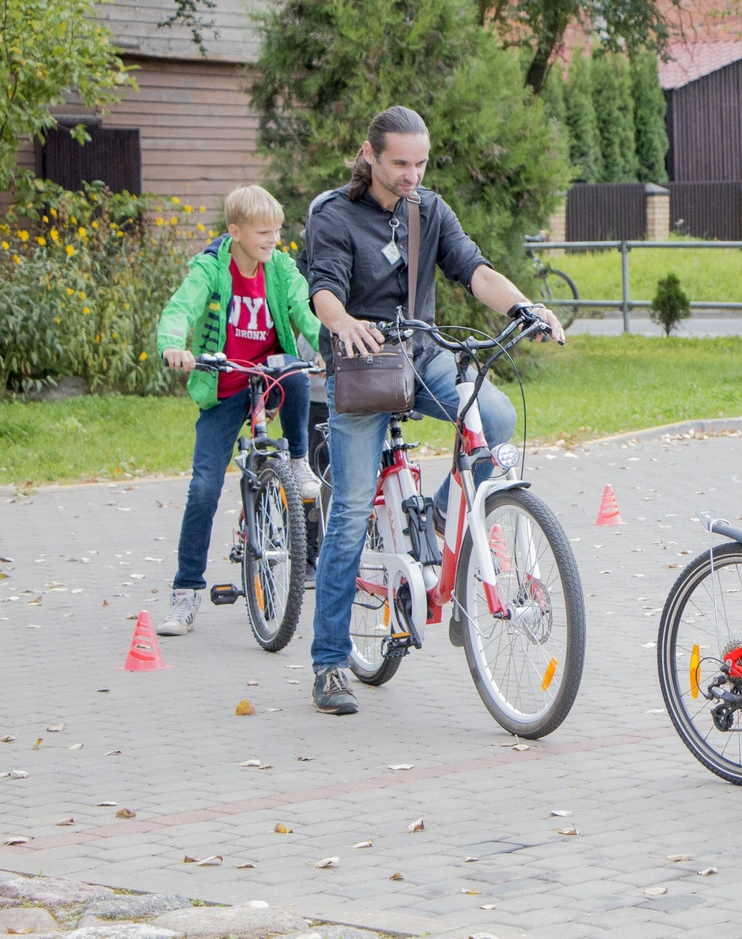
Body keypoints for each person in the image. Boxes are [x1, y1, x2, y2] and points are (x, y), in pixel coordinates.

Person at [303, 105, 564, 716]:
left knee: (495, 419)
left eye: (420, 163)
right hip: (365, 369)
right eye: (400, 163)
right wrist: (343, 324)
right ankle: (330, 664)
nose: (412, 175)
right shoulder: (334, 216)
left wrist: (524, 307)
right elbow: (324, 290)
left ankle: (444, 520)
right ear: (369, 155)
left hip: (422, 357)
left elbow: (474, 271)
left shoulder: (429, 210)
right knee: (347, 515)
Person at [155, 185, 323, 636]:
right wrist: (174, 344)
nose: (272, 239)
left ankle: (299, 461)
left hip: (268, 377)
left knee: (296, 374)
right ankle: (185, 594)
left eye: (277, 231)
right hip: (225, 385)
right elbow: (181, 308)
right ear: (236, 232)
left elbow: (305, 313)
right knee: (204, 488)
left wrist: (329, 345)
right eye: (262, 232)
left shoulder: (282, 269)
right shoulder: (212, 267)